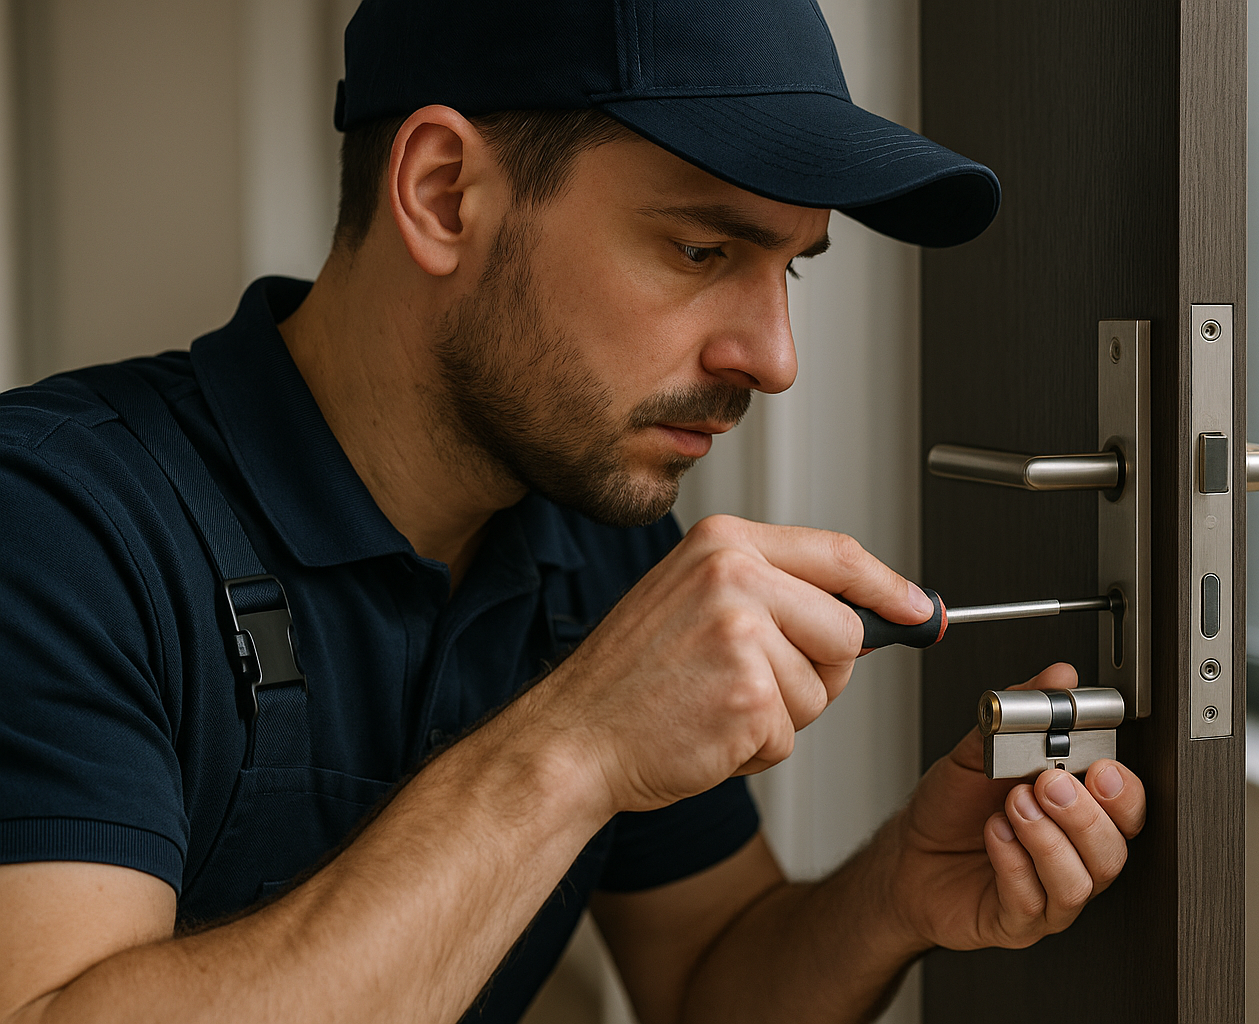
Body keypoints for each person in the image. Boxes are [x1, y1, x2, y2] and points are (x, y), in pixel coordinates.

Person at [0, 1, 1146, 1021]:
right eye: (703, 247)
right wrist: (578, 742)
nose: (776, 359)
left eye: (790, 268)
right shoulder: (55, 522)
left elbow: (704, 977)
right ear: (445, 192)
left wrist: (897, 888)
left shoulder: (593, 539)